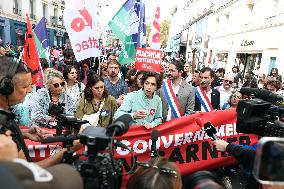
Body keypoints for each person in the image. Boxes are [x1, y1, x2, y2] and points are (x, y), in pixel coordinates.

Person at [0, 56, 82, 168]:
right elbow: (27, 172)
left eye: (30, 85)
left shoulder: (5, 119)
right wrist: (69, 150)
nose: (29, 91)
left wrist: (25, 133)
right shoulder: (3, 126)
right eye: (25, 86)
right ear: (6, 88)